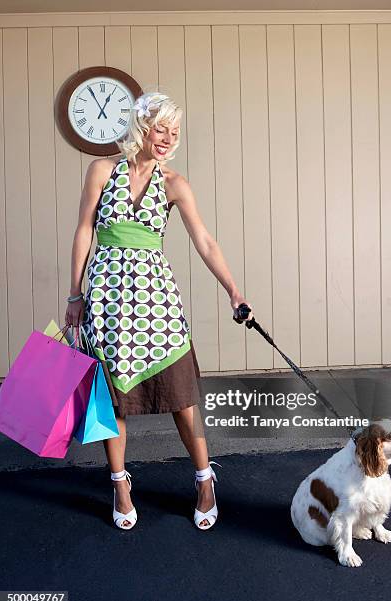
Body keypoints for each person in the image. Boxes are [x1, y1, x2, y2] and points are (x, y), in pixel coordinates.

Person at [65, 91, 254, 531]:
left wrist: (234, 291)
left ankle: (205, 480)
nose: (168, 138)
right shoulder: (101, 170)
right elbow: (83, 232)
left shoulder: (174, 184)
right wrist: (75, 295)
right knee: (111, 402)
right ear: (140, 128)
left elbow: (205, 241)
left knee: (183, 396)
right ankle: (120, 484)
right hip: (108, 302)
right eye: (160, 129)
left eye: (174, 131)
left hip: (157, 302)